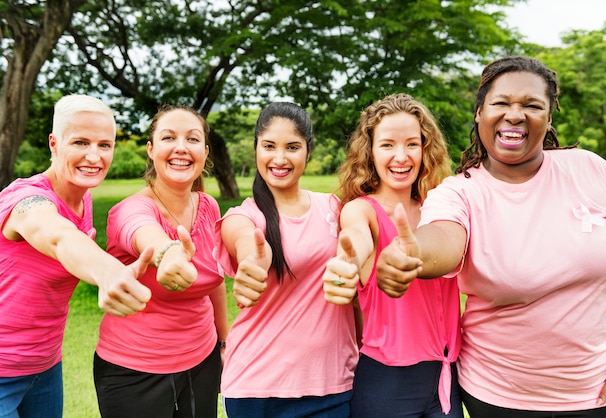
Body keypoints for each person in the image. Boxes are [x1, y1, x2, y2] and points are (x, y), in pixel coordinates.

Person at [375, 56, 606, 417]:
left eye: (532, 105)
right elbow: (444, 238)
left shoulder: (592, 170)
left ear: (549, 117)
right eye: (502, 103)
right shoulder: (459, 192)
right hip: (498, 398)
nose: (515, 114)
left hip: (600, 393)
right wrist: (412, 254)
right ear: (480, 112)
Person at [0, 94, 154, 418]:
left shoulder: (83, 200)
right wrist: (109, 272)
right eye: (80, 142)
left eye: (104, 145)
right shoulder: (26, 201)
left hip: (45, 366)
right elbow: (58, 237)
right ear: (54, 144)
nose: (94, 156)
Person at [322, 93, 462, 417]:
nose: (401, 156)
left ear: (426, 149)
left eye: (412, 144)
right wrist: (348, 263)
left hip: (446, 378)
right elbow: (356, 239)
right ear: (370, 151)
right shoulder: (362, 210)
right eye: (387, 145)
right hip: (387, 382)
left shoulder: (441, 210)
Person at [214, 102, 359, 417]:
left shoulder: (335, 209)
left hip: (333, 385)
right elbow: (244, 241)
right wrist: (253, 261)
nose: (279, 158)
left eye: (292, 147)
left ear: (308, 152)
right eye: (269, 146)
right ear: (256, 149)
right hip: (256, 389)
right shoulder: (244, 216)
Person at [93, 104, 228, 418]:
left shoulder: (208, 206)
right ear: (151, 149)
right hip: (135, 370)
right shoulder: (129, 210)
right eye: (169, 138)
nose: (181, 147)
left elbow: (215, 283)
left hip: (202, 361)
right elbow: (143, 232)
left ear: (205, 152)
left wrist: (224, 342)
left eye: (192, 139)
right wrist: (168, 254)